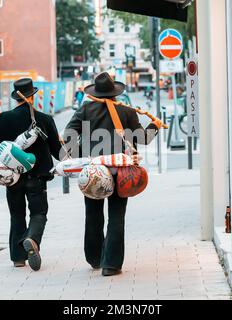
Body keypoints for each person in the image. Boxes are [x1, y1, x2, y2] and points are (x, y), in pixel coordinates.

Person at [63, 72, 163, 276]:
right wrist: (155, 125)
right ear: (115, 92)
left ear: (96, 92)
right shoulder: (125, 110)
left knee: (93, 214)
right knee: (117, 215)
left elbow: (68, 136)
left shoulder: (85, 109)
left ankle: (94, 257)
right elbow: (143, 138)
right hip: (120, 171)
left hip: (93, 171)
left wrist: (80, 157)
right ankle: (111, 264)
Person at [0, 78, 62, 271]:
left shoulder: (4, 118)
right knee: (39, 213)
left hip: (12, 178)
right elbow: (57, 151)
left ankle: (18, 258)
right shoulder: (44, 119)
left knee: (16, 215)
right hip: (37, 178)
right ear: (32, 95)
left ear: (15, 97)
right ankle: (31, 239)